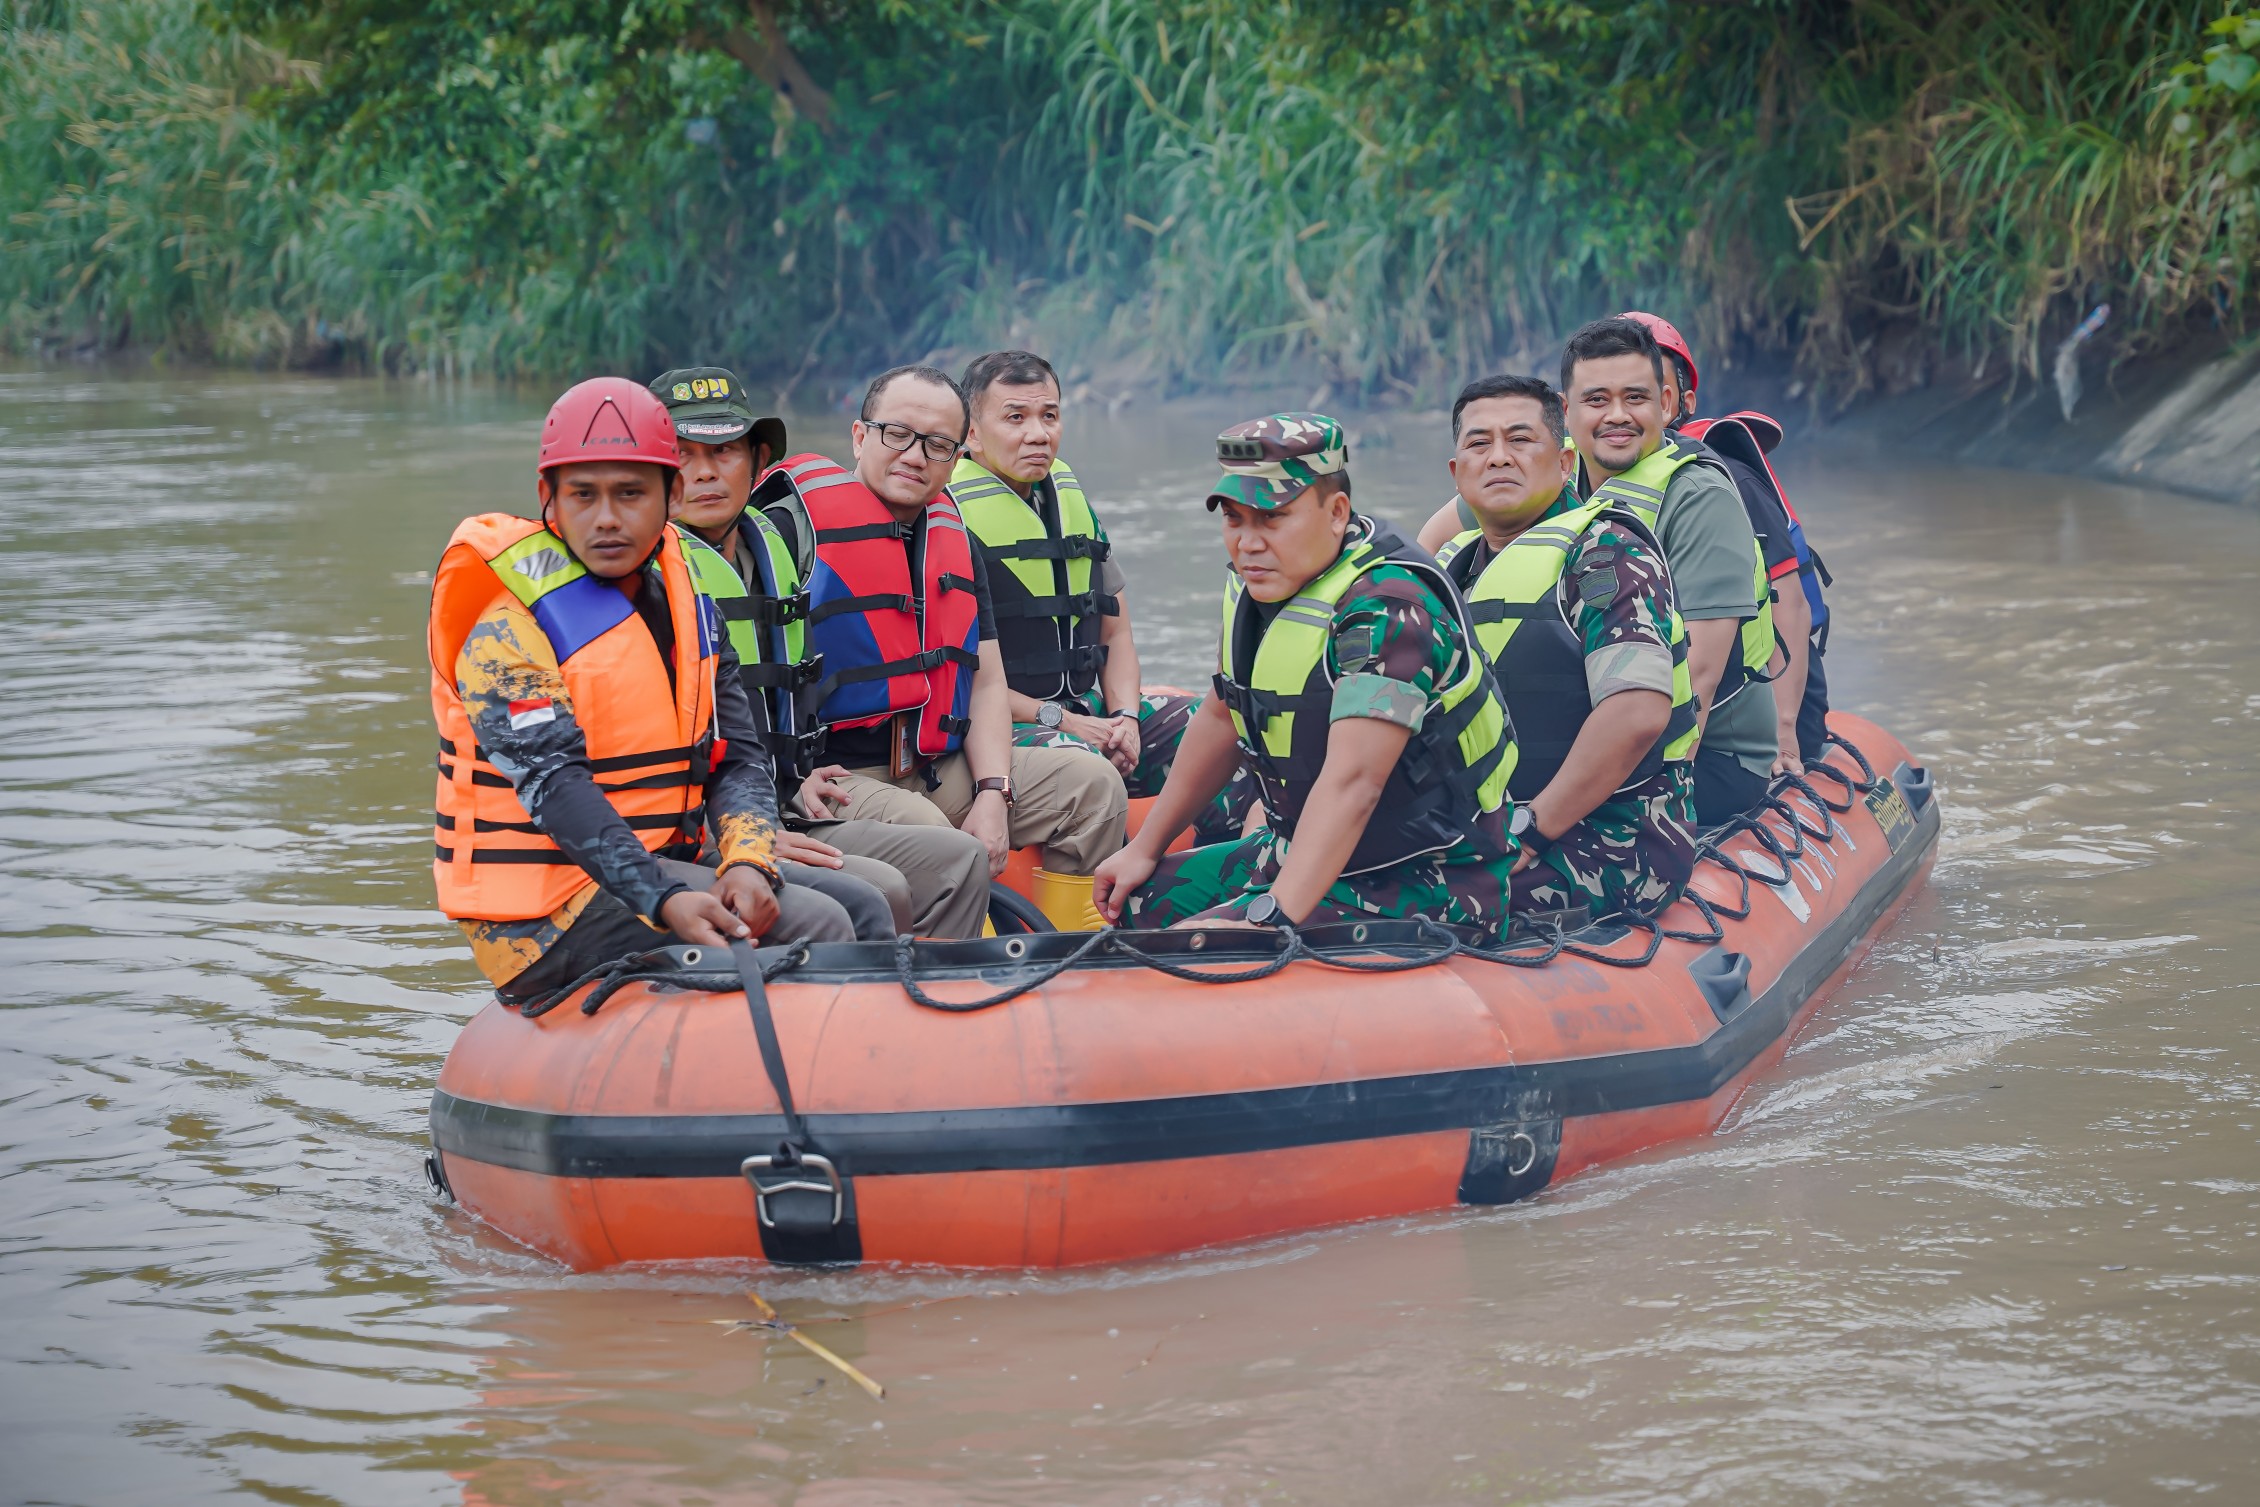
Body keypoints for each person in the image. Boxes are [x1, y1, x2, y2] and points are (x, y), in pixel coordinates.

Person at [430, 378, 886, 1006]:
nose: (608, 518)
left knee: (863, 904)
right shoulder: (506, 631)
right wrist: (663, 898)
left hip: (657, 861)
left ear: (669, 496)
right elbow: (556, 789)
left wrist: (749, 860)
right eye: (583, 496)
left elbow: (741, 756)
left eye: (631, 494)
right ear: (549, 500)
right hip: (543, 912)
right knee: (824, 924)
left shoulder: (689, 603)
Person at [1092, 414, 1521, 935]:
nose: (1248, 543)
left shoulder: (1387, 608)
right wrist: (1144, 848)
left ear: (1336, 512)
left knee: (1192, 948)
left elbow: (1354, 783)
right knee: (1141, 901)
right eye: (1234, 519)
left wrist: (1273, 918)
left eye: (1272, 519)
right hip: (1293, 847)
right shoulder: (1258, 585)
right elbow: (1223, 714)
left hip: (1421, 877)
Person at [650, 366, 990, 938]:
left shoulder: (775, 550)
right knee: (878, 891)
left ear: (758, 460)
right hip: (708, 826)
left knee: (961, 859)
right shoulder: (644, 578)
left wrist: (800, 774)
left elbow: (792, 689)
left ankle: (938, 1009)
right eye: (683, 454)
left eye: (725, 452)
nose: (705, 473)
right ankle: (868, 1010)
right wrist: (739, 833)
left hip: (785, 798)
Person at [766, 364, 1127, 898]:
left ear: (957, 455)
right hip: (832, 776)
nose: (915, 456)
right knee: (935, 837)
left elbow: (985, 685)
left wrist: (992, 792)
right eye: (898, 435)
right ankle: (959, 965)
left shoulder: (953, 540)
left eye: (937, 444)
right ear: (860, 436)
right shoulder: (788, 531)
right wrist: (781, 783)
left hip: (935, 763)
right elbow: (740, 677)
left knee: (1093, 786)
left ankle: (1071, 956)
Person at [946, 349, 1254, 843]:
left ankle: (1224, 873)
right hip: (1006, 725)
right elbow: (962, 682)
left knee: (1226, 730)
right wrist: (1067, 722)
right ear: (971, 433)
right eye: (1015, 417)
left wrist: (1126, 718)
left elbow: (1117, 630)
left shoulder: (1070, 504)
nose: (1038, 434)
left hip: (1087, 710)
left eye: (1049, 415)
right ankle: (1092, 906)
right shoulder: (947, 523)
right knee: (1087, 764)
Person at [1432, 375, 1701, 915]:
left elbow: (1636, 712)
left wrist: (1529, 830)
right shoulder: (1447, 568)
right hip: (1479, 830)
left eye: (1521, 440)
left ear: (1563, 463)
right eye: (1479, 444)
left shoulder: (1605, 553)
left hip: (1609, 842)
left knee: (1391, 907)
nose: (1499, 458)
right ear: (1457, 473)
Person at [1557, 317, 1780, 827]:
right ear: (1565, 412)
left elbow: (1699, 677)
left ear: (1665, 404)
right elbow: (1444, 537)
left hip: (1707, 760)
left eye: (1635, 398)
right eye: (1596, 401)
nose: (1617, 416)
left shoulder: (1698, 497)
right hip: (1592, 729)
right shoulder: (1555, 479)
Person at [1614, 313, 1834, 771]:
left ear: (1677, 401)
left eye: (1642, 388)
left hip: (1762, 699)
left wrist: (1786, 735)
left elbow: (1788, 604)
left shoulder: (1724, 480)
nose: (1621, 409)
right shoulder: (1586, 478)